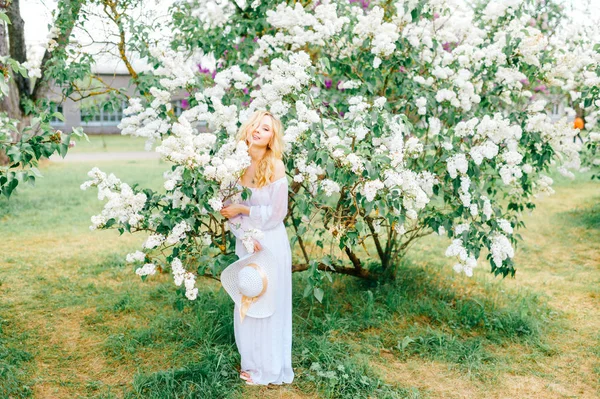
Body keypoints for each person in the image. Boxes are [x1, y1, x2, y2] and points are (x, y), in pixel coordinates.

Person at [219, 110, 294, 386]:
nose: (259, 131)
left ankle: (272, 367)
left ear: (272, 137)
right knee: (249, 300)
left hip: (271, 241)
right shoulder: (234, 163)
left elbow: (277, 212)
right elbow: (227, 210)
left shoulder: (276, 165)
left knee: (270, 302)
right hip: (247, 242)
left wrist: (243, 209)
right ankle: (251, 363)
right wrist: (245, 235)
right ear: (248, 129)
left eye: (266, 128)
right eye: (256, 126)